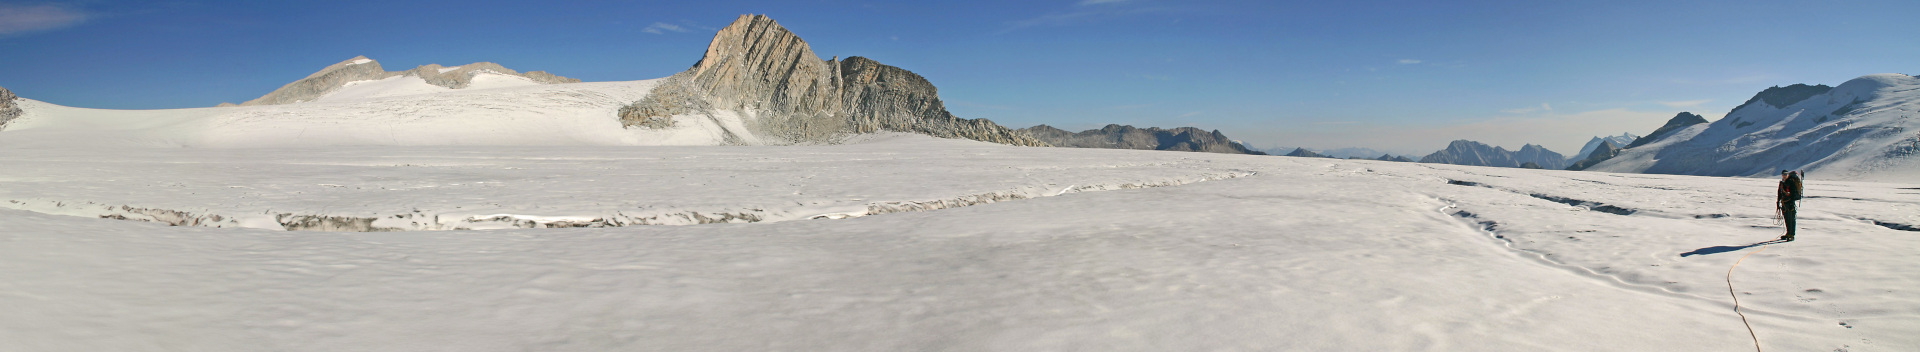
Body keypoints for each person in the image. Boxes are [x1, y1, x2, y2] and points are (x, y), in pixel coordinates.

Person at [1777, 170, 1803, 241]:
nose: (1784, 176)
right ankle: (1788, 233)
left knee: (1791, 219)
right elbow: (1779, 193)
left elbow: (1793, 193)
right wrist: (1778, 202)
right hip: (1784, 203)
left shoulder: (1791, 182)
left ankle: (1792, 235)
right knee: (1787, 219)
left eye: (1785, 174)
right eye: (1783, 174)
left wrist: (1791, 201)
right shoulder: (1782, 183)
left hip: (1790, 204)